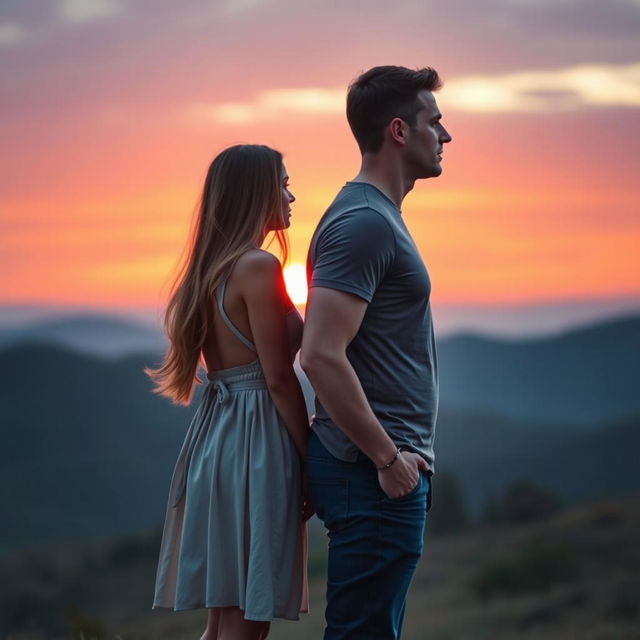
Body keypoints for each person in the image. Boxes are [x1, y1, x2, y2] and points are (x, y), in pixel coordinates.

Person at [300, 66, 452, 639]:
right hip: (372, 471)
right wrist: (390, 460)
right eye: (434, 122)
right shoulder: (365, 222)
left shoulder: (376, 217)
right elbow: (319, 355)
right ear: (398, 131)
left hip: (379, 470)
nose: (446, 136)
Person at [148, 144, 311, 640]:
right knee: (247, 617)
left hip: (218, 438)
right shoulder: (258, 268)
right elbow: (279, 378)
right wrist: (310, 460)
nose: (291, 196)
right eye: (282, 183)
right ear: (255, 192)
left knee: (224, 615)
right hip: (257, 439)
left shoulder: (209, 272)